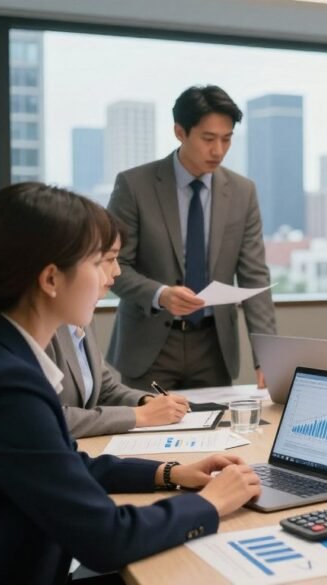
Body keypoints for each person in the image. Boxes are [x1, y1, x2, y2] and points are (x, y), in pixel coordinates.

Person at [0, 183, 261, 584]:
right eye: (100, 262)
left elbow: (65, 466)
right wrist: (211, 504)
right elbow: (106, 537)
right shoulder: (4, 386)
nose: (112, 276)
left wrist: (168, 473)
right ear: (51, 279)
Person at [107, 85, 276, 390]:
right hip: (150, 344)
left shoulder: (242, 192)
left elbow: (254, 277)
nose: (218, 151)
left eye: (227, 139)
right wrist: (161, 294)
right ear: (180, 132)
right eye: (208, 139)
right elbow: (113, 267)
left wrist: (269, 355)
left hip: (214, 346)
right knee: (148, 434)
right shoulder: (134, 186)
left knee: (220, 435)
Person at [51, 228, 191, 438]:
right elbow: (50, 419)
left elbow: (104, 388)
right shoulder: (43, 329)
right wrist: (138, 416)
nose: (117, 271)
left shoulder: (82, 312)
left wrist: (146, 402)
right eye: (106, 260)